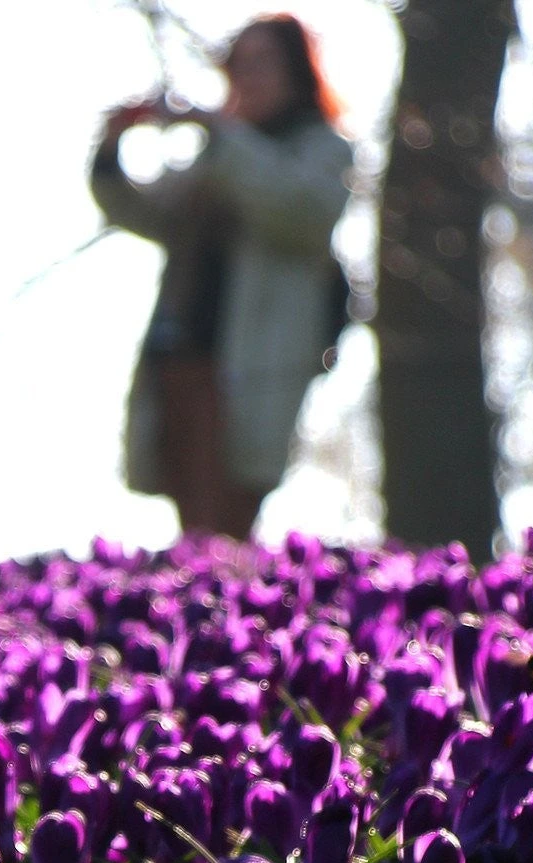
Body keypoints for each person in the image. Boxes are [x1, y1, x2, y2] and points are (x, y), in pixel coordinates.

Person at [91, 15, 352, 541]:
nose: (247, 79)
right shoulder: (223, 154)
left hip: (250, 368)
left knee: (226, 518)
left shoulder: (321, 150)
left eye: (263, 64)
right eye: (240, 66)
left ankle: (226, 614)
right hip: (182, 355)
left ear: (297, 72)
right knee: (194, 518)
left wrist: (223, 135)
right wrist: (110, 151)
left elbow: (298, 211)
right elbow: (151, 212)